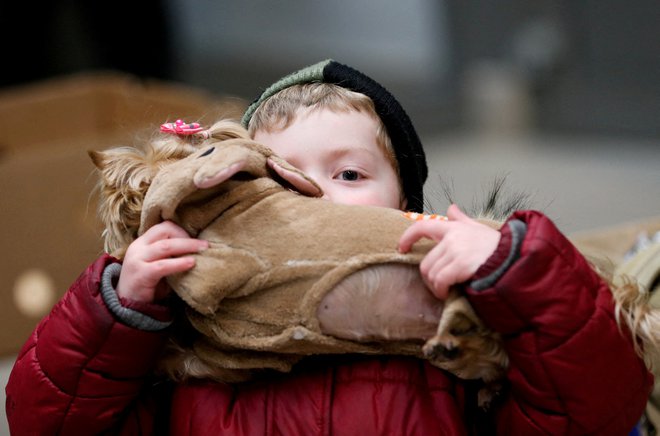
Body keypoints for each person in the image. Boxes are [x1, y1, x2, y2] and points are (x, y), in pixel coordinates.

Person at [5, 59, 652, 435]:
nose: (317, 198)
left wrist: (516, 276)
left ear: (406, 209)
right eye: (284, 176)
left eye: (349, 175)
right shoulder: (189, 337)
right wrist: (120, 310)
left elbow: (594, 412)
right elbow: (50, 424)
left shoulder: (447, 337)